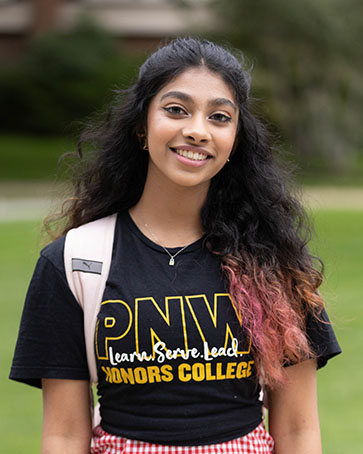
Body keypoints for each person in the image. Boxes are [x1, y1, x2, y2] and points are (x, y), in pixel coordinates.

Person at [10, 37, 341, 454]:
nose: (197, 130)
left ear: (235, 140)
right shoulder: (75, 262)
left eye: (219, 117)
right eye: (176, 110)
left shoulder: (274, 266)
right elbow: (63, 434)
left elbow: (297, 430)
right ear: (141, 127)